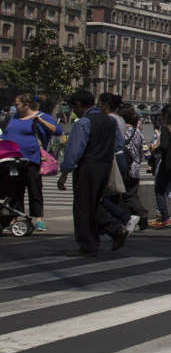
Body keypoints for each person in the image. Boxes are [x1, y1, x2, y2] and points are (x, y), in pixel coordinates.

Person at [57, 90, 131, 257]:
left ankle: (88, 244)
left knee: (83, 206)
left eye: (73, 107)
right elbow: (119, 144)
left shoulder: (83, 122)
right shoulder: (110, 121)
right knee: (95, 202)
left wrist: (64, 173)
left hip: (88, 167)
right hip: (104, 166)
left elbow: (74, 151)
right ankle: (114, 229)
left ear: (78, 105)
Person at [4, 93, 61, 232]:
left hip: (32, 159)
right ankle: (15, 217)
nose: (14, 106)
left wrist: (41, 122)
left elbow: (57, 130)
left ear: (26, 105)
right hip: (13, 160)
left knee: (34, 188)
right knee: (15, 190)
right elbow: (6, 133)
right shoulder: (15, 117)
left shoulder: (41, 116)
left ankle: (38, 218)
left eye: (17, 104)